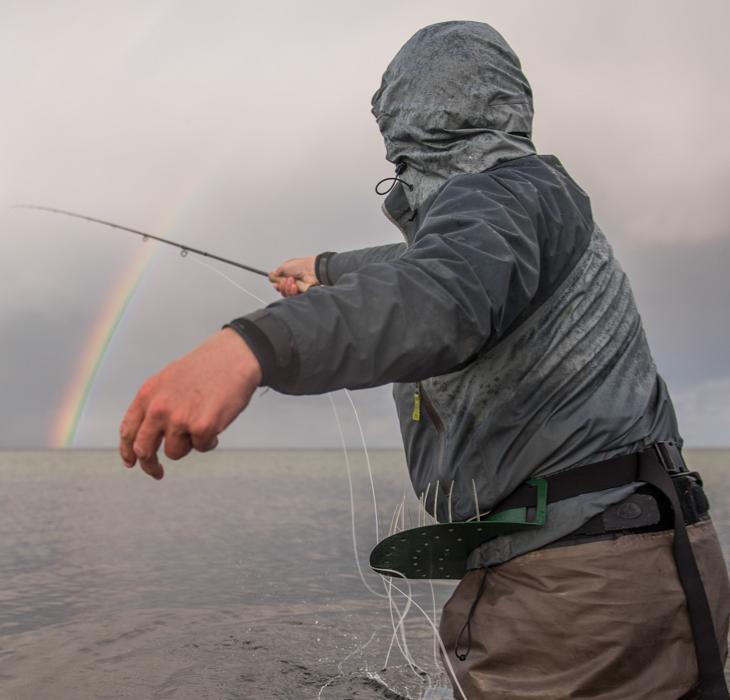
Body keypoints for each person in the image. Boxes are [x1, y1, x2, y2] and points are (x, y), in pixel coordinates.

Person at [119, 21, 729, 699]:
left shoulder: (506, 195)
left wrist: (249, 346)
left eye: (398, 151)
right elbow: (431, 265)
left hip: (581, 586)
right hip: (635, 553)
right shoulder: (529, 202)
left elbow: (439, 293)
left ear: (414, 129)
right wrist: (327, 268)